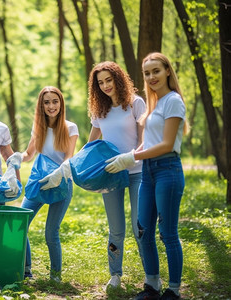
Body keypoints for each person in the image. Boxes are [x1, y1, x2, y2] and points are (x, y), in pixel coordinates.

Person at [105, 52, 187, 300]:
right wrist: (130, 154)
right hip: (149, 173)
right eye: (147, 73)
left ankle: (173, 290)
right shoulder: (155, 105)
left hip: (167, 169)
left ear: (168, 72)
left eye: (156, 71)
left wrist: (132, 159)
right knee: (143, 231)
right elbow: (147, 142)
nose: (152, 77)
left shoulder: (173, 101)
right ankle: (152, 285)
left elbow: (167, 144)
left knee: (168, 233)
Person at [7, 86, 78, 282]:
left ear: (61, 103)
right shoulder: (38, 127)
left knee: (51, 232)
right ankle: (26, 270)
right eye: (46, 102)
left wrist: (58, 174)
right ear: (41, 105)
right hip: (39, 182)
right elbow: (30, 154)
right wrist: (17, 157)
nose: (51, 106)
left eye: (55, 101)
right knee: (20, 224)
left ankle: (55, 276)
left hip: (61, 183)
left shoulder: (70, 128)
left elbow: (69, 157)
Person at [86, 61, 146, 289]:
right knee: (116, 229)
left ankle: (151, 275)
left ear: (118, 78)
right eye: (100, 83)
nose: (105, 86)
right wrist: (73, 166)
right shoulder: (100, 110)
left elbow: (144, 142)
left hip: (137, 172)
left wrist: (130, 157)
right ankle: (115, 275)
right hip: (110, 174)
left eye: (108, 80)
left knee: (140, 227)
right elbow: (91, 144)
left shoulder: (135, 104)